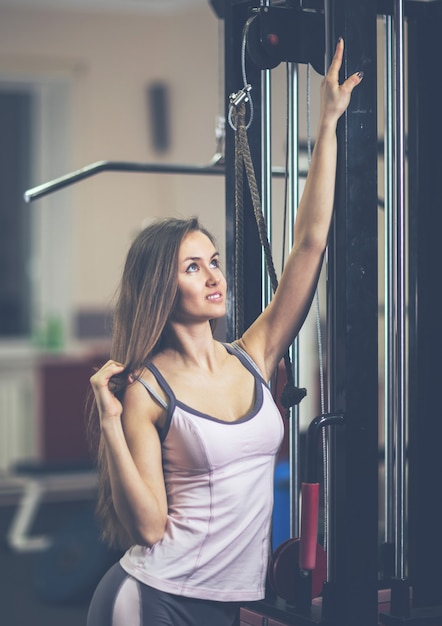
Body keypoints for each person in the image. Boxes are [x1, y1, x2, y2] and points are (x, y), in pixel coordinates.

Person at [86, 38, 362, 626]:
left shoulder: (253, 355)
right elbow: (150, 527)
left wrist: (328, 121)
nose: (214, 276)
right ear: (163, 288)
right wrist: (111, 423)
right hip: (149, 599)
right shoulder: (147, 391)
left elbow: (309, 245)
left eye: (213, 260)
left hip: (229, 603)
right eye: (193, 267)